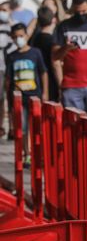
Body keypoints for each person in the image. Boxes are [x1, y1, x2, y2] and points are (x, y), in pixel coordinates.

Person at [5, 23, 48, 164]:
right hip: (19, 98)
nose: (19, 39)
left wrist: (45, 93)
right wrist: (9, 99)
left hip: (34, 96)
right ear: (12, 38)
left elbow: (43, 72)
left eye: (21, 36)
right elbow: (8, 79)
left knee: (36, 126)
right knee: (23, 128)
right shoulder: (11, 56)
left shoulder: (35, 52)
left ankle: (39, 153)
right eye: (16, 37)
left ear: (27, 35)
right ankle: (27, 154)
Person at [29, 7, 63, 103]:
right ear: (54, 20)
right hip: (52, 81)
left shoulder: (34, 39)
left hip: (37, 80)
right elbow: (55, 63)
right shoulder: (53, 42)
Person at [0, 2, 15, 137]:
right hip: (0, 68)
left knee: (11, 99)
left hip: (10, 67)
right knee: (0, 98)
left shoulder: (14, 26)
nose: (2, 12)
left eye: (5, 10)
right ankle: (1, 127)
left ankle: (12, 127)